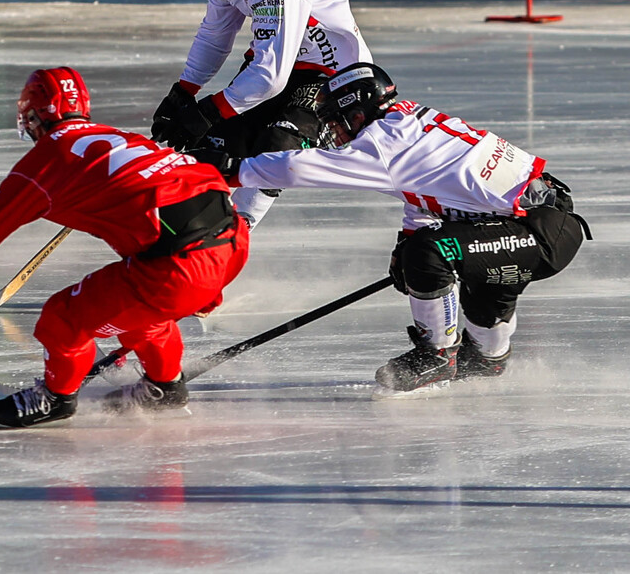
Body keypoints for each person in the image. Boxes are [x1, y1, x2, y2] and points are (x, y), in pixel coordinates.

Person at [0, 67, 251, 428]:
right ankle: (165, 388)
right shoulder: (123, 139)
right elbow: (187, 185)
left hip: (181, 263)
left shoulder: (46, 161)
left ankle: (56, 397)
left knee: (62, 318)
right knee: (140, 312)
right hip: (229, 238)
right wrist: (210, 276)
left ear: (34, 117)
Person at [214, 62, 590, 394]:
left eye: (335, 120)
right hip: (532, 222)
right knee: (469, 281)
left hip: (537, 232)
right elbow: (426, 191)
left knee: (431, 252)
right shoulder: (407, 122)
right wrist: (405, 244)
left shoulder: (383, 141)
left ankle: (437, 355)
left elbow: (296, 168)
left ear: (356, 113)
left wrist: (228, 169)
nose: (333, 131)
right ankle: (488, 359)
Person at [150, 0, 373, 230]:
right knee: (214, 146)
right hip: (278, 60)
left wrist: (206, 111)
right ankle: (183, 236)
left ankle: (234, 236)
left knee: (275, 147)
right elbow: (216, 34)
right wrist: (184, 92)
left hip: (331, 74)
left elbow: (270, 76)